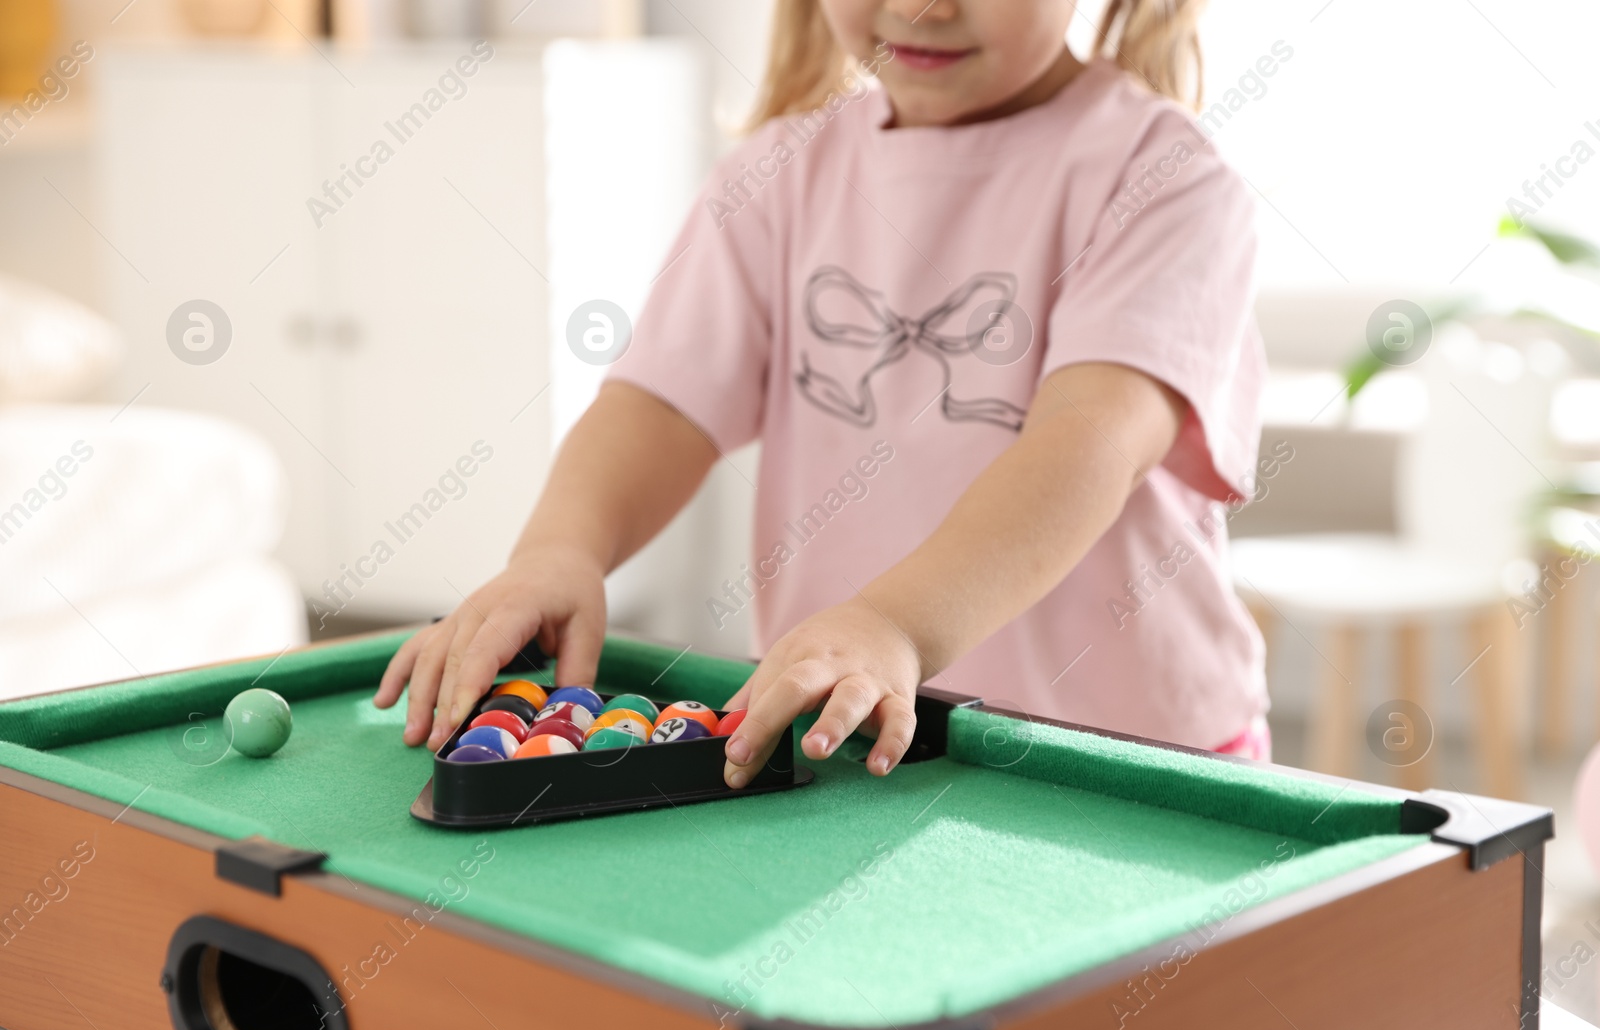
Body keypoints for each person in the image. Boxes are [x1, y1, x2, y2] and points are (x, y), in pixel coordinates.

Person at [376, 0, 1271, 787]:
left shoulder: (1163, 178)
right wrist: (560, 549)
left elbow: (1090, 440)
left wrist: (897, 626)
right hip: (861, 754)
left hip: (1135, 772)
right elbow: (658, 404)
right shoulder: (775, 176)